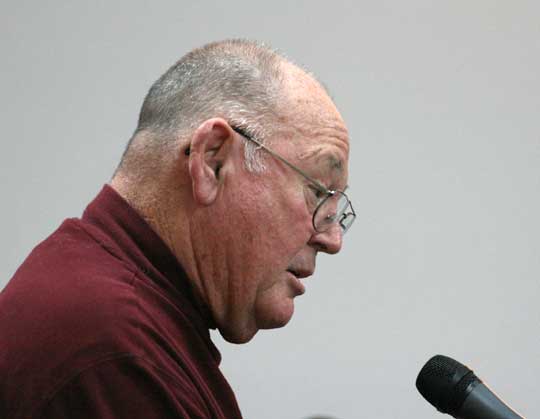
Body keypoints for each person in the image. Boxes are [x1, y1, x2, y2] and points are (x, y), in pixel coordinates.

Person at [0, 39, 354, 418]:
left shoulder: (116, 309)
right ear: (212, 161)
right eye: (318, 193)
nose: (332, 239)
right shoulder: (113, 353)